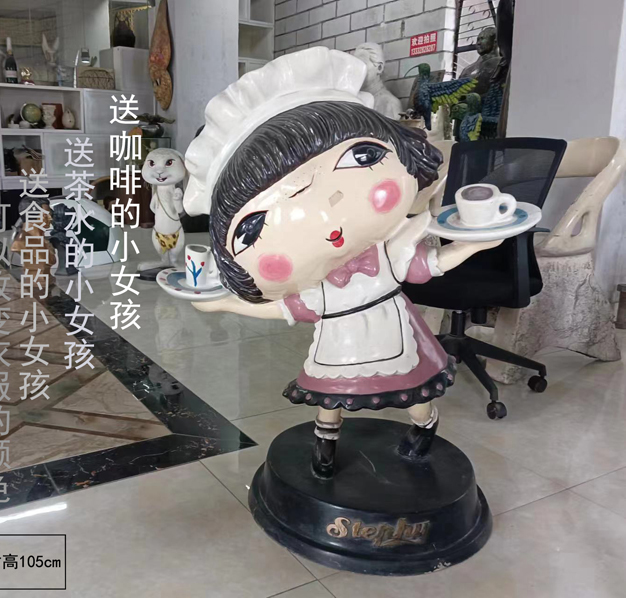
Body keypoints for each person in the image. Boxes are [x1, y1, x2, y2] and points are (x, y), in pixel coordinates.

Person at [184, 48, 500, 472]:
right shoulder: (318, 286)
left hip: (397, 339)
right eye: (254, 227)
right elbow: (284, 308)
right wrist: (225, 303)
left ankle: (425, 427)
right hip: (337, 350)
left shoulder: (387, 255)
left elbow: (435, 263)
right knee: (330, 400)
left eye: (362, 157)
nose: (326, 215)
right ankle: (325, 445)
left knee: (416, 395)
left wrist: (477, 242)